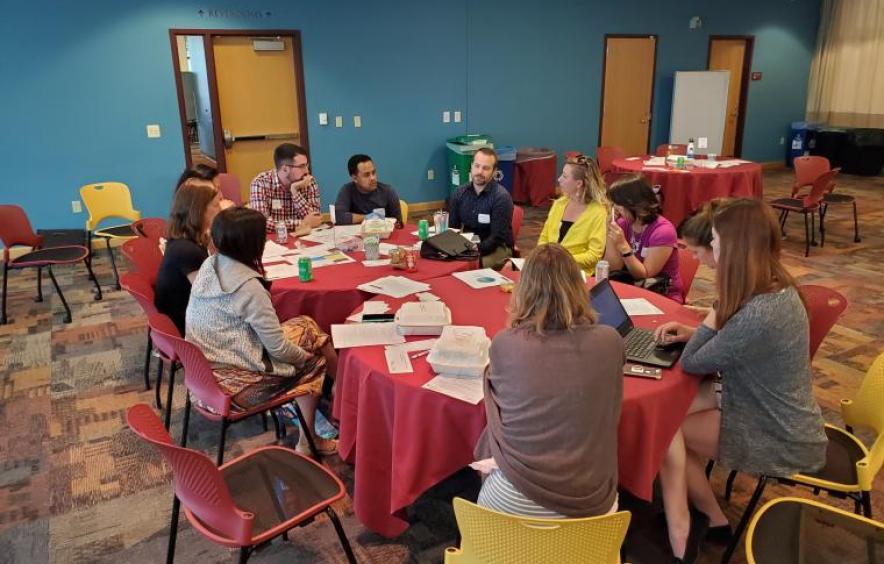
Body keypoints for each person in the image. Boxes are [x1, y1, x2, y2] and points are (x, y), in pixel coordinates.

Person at [654, 198, 827, 563]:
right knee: (674, 416)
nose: (711, 247)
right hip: (775, 409)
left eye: (715, 240)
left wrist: (713, 314)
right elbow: (728, 344)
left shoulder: (760, 312)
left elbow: (693, 362)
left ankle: (693, 525)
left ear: (734, 247)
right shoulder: (775, 287)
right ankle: (703, 515)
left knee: (668, 429)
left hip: (775, 433)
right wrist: (697, 327)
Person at [473, 243, 624, 518]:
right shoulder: (610, 341)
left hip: (506, 505)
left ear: (523, 291)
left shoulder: (506, 344)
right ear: (580, 288)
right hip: (594, 509)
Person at [186, 207, 338, 455]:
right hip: (234, 387)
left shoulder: (210, 264)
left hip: (203, 376)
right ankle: (310, 441)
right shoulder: (248, 287)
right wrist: (305, 358)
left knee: (308, 326)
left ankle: (338, 391)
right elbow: (277, 347)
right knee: (316, 363)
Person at [154, 177, 222, 335]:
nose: (220, 209)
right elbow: (213, 297)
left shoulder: (184, 238)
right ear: (199, 210)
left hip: (186, 315)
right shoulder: (187, 251)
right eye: (216, 204)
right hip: (187, 327)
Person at [604, 174, 683, 302]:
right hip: (632, 288)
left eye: (619, 206)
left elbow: (644, 275)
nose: (616, 210)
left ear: (636, 206)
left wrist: (623, 246)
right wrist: (609, 231)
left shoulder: (663, 231)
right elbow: (614, 267)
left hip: (660, 291)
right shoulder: (624, 223)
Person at [537, 154, 608, 274]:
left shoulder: (598, 212)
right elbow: (544, 238)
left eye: (564, 176)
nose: (559, 179)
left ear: (579, 184)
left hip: (575, 274)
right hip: (549, 268)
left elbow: (594, 255)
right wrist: (544, 257)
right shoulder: (559, 204)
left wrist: (560, 261)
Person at [448, 148, 514, 270]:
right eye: (477, 166)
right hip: (468, 244)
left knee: (471, 266)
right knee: (445, 261)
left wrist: (476, 248)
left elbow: (496, 238)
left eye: (486, 168)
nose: (479, 171)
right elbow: (453, 228)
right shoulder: (459, 193)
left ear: (494, 172)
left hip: (497, 248)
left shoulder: (501, 198)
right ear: (471, 166)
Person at [249, 143, 323, 234]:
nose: (307, 171)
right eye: (301, 166)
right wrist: (302, 223)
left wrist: (295, 192)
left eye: (306, 166)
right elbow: (261, 223)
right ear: (284, 169)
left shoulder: (309, 182)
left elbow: (315, 219)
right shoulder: (260, 183)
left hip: (303, 238)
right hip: (274, 242)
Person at [334, 154, 403, 226]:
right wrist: (370, 217)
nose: (372, 178)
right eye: (366, 175)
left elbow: (398, 224)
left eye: (373, 172)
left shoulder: (388, 191)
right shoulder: (347, 190)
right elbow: (339, 217)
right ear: (354, 178)